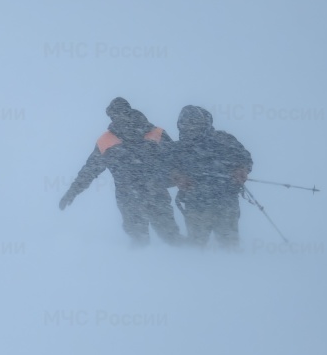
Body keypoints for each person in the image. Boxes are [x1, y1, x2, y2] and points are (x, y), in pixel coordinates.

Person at [59, 98, 183, 246]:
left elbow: (176, 160)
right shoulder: (111, 140)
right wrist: (72, 191)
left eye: (119, 114)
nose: (119, 118)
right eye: (115, 115)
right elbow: (89, 170)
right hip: (142, 197)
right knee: (155, 239)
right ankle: (147, 266)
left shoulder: (151, 133)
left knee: (156, 239)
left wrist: (73, 192)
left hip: (141, 197)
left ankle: (175, 262)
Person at [168, 105, 252, 249]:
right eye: (185, 124)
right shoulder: (178, 148)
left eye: (194, 123)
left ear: (203, 122)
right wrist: (177, 176)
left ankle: (235, 269)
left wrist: (242, 169)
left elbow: (244, 158)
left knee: (229, 246)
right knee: (195, 247)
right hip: (195, 203)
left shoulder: (224, 140)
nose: (190, 127)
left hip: (225, 201)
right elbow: (167, 168)